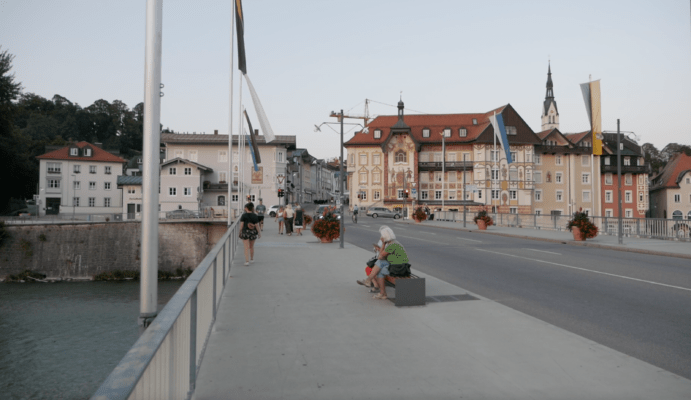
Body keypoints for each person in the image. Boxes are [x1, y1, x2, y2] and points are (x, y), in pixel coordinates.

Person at [357, 226, 409, 300]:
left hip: (400, 267)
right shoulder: (393, 243)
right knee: (380, 268)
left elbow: (380, 256)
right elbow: (381, 257)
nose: (381, 237)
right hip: (398, 265)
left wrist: (383, 243)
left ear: (385, 236)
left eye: (382, 236)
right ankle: (381, 292)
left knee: (380, 263)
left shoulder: (392, 245)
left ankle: (371, 282)